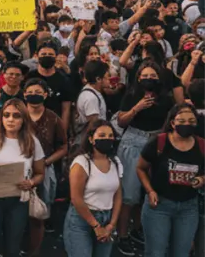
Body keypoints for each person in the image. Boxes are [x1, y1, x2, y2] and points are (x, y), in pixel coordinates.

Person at [115, 60, 175, 255]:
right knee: (129, 194)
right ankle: (122, 235)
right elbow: (121, 121)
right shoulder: (132, 95)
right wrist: (137, 108)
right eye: (145, 77)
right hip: (133, 141)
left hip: (156, 142)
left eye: (152, 76)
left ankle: (137, 229)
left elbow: (169, 123)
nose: (148, 80)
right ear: (138, 78)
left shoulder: (166, 98)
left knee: (146, 193)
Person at [0, 99, 46, 257]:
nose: (11, 119)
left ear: (23, 119)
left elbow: (40, 173)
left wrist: (31, 182)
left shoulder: (32, 142)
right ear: (1, 118)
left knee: (13, 247)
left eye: (16, 116)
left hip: (18, 198)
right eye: (6, 115)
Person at [136, 103, 205, 257]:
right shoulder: (159, 142)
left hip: (188, 207)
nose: (187, 124)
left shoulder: (201, 145)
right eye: (182, 121)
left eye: (191, 121)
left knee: (181, 253)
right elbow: (140, 168)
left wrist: (202, 179)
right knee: (156, 252)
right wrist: (150, 190)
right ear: (173, 123)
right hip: (159, 205)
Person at [64, 120, 123, 257]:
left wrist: (111, 224)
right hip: (81, 219)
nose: (107, 139)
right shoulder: (82, 162)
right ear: (91, 139)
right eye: (102, 135)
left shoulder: (116, 162)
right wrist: (96, 226)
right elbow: (76, 198)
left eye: (110, 136)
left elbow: (118, 194)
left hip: (107, 218)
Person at [23, 77, 67, 256]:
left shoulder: (54, 118)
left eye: (38, 93)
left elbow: (64, 147)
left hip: (44, 171)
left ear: (46, 95)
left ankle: (35, 251)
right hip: (18, 169)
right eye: (30, 93)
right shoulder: (16, 114)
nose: (34, 96)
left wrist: (46, 162)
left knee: (37, 214)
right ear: (24, 94)